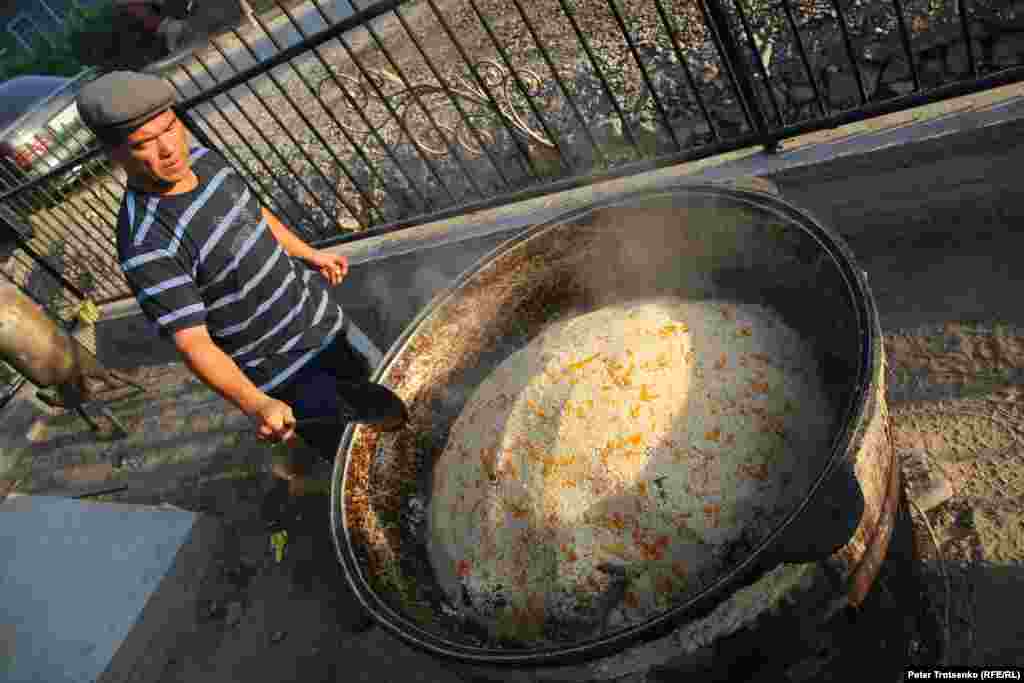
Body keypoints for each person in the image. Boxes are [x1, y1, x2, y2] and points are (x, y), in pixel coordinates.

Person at [75, 71, 387, 499]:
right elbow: (194, 344)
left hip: (328, 323)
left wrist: (307, 253)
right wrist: (256, 403)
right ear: (113, 154)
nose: (169, 149)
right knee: (365, 460)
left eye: (170, 127)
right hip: (288, 372)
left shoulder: (206, 160)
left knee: (397, 402)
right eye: (145, 143)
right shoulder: (146, 243)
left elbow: (250, 214)